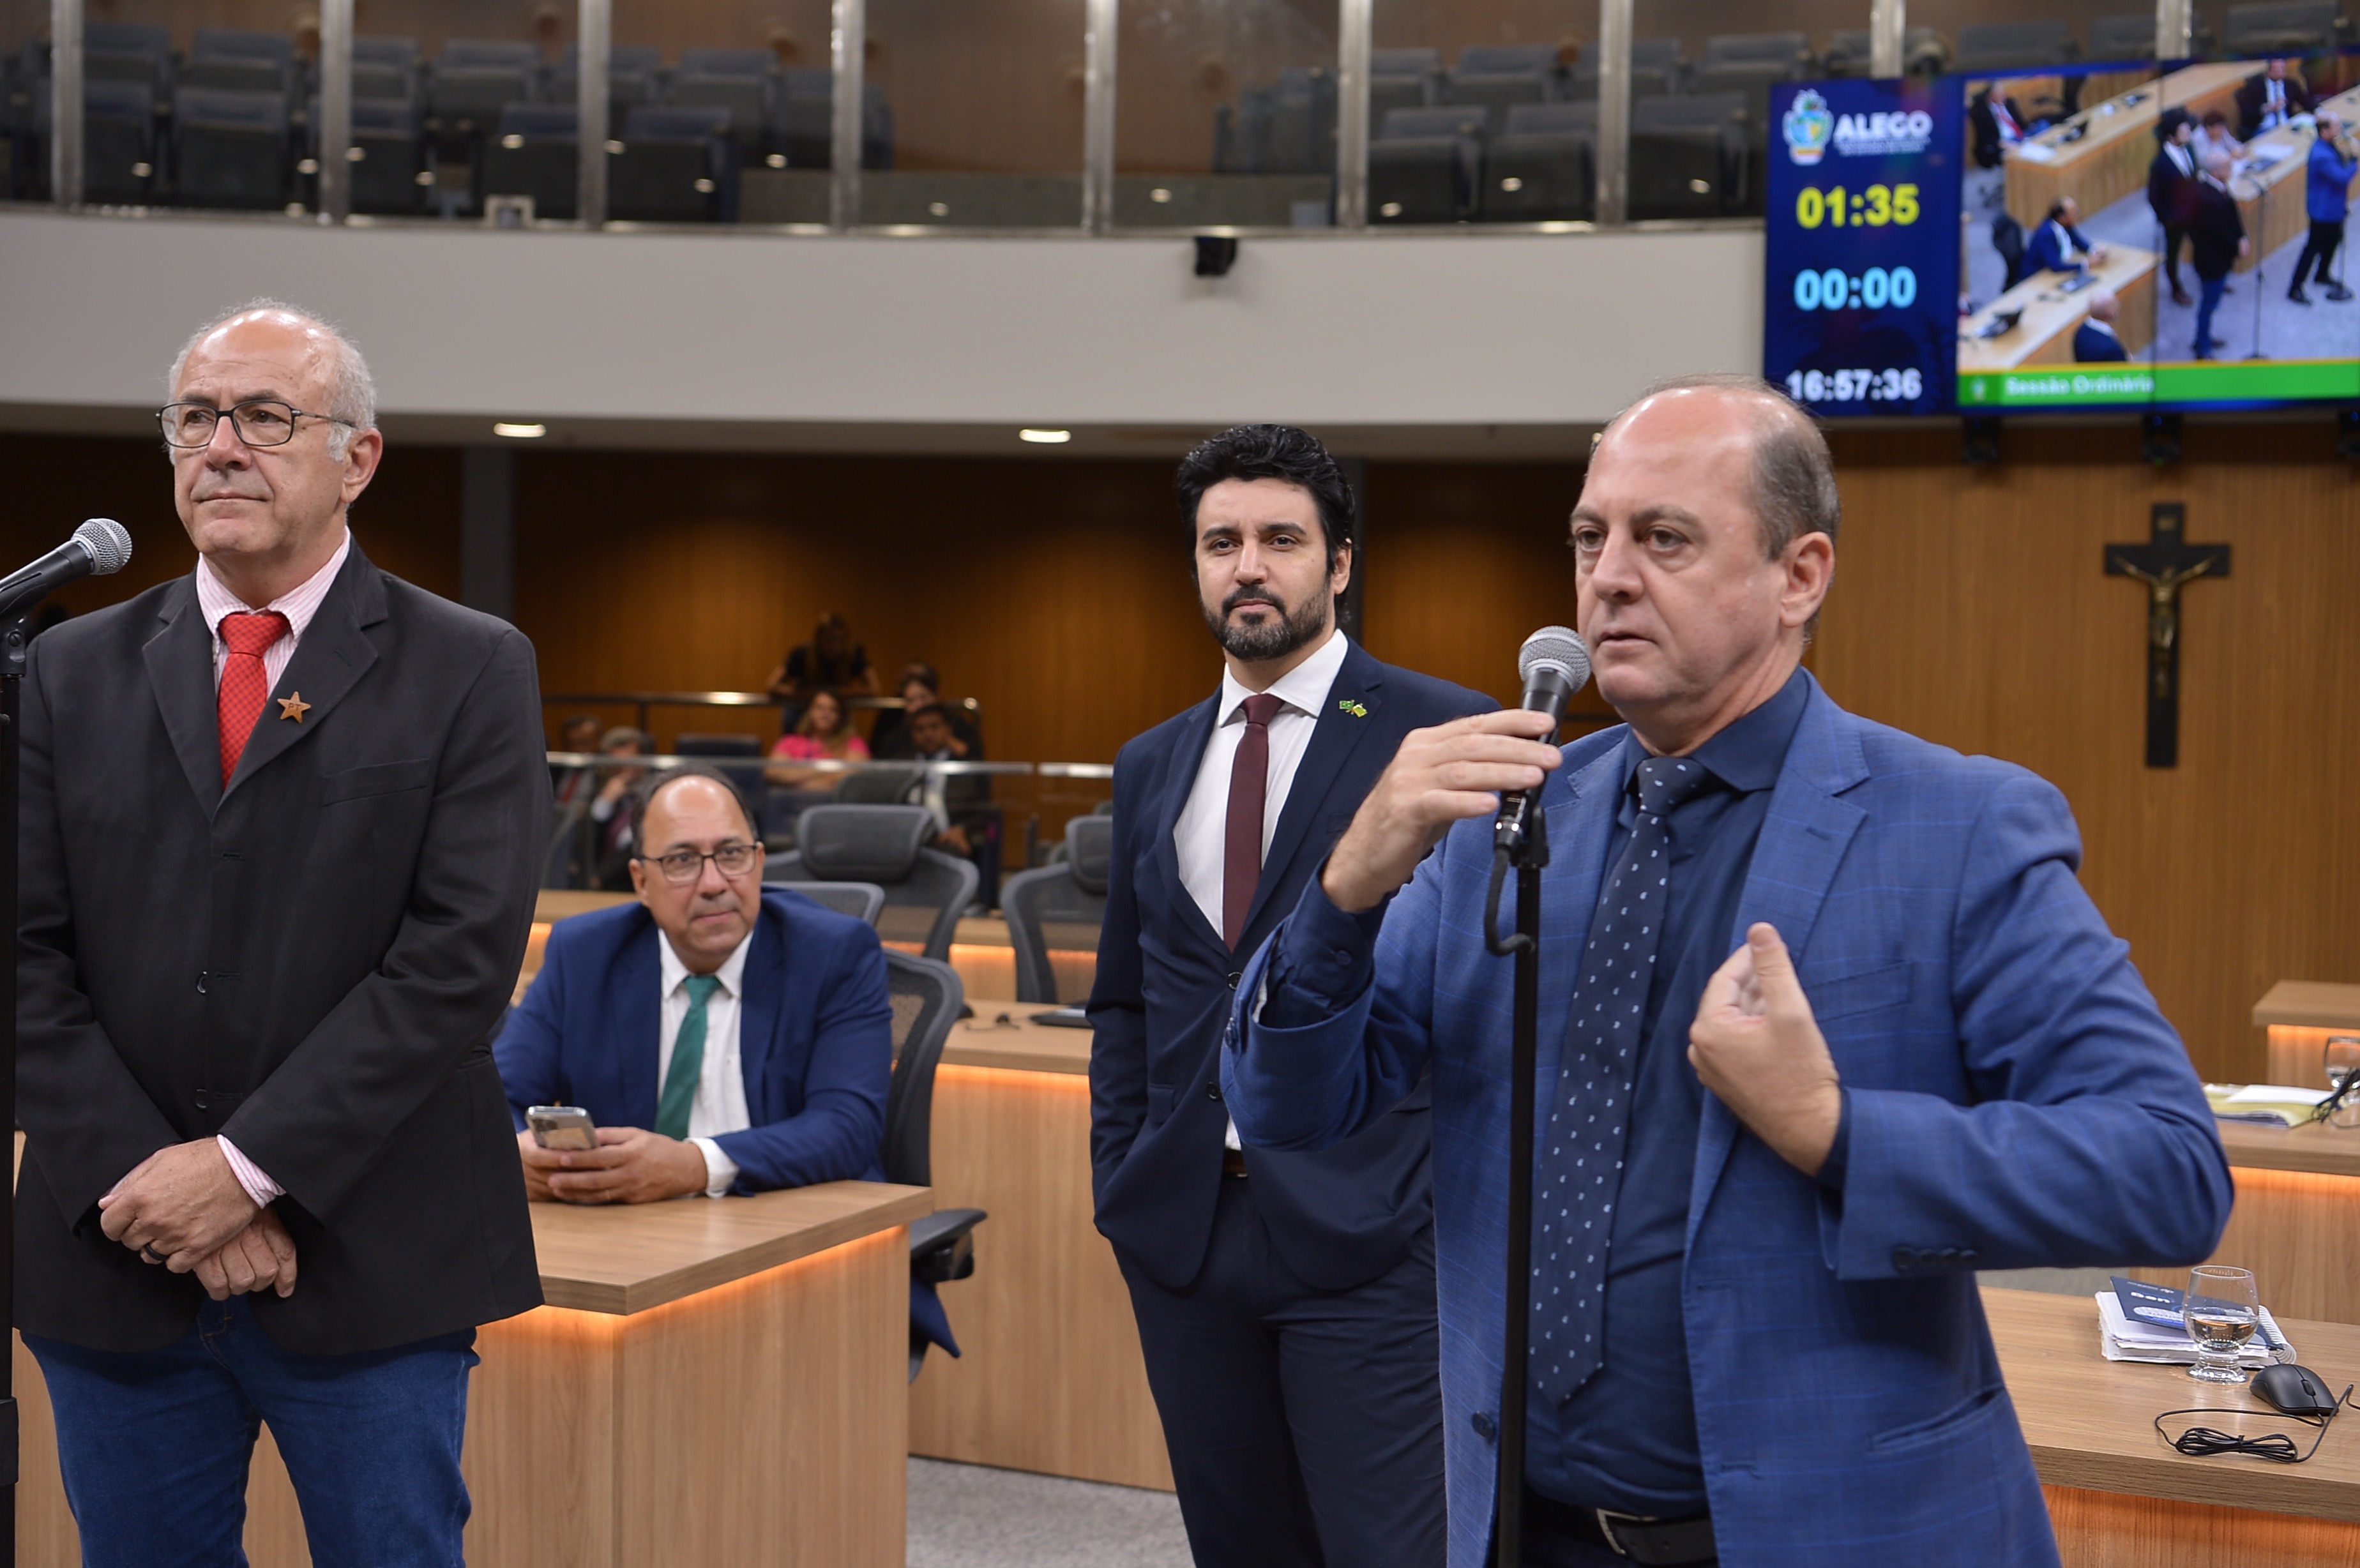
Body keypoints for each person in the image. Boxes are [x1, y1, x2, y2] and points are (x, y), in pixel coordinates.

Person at [1223, 376, 2233, 1568]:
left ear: (1799, 575)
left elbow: (2167, 1170)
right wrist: (1347, 884)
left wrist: (1836, 1130)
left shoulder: (1958, 828)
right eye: (1590, 538)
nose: (1607, 578)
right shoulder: (1499, 822)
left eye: (1664, 539)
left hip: (1834, 1535)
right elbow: (1284, 1110)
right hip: (1521, 1528)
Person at [16, 299, 550, 1567]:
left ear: (356, 458)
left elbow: (455, 965)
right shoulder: (67, 668)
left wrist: (246, 1170)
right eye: (196, 417)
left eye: (265, 417)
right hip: (118, 1248)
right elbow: (21, 956)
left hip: (370, 1259)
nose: (221, 447)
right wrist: (163, 1182)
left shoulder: (469, 667)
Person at [1089, 425, 1492, 1567]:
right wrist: (1120, 1174)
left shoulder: (1437, 733)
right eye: (1221, 543)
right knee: (1238, 1545)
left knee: (1392, 1550)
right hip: (1184, 1231)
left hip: (1372, 1231)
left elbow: (1481, 994)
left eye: (1280, 539)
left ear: (1340, 563)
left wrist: (1429, 1200)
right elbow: (1127, 998)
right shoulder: (1151, 760)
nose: (1248, 567)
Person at [492, 766, 955, 1354]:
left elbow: (848, 1127)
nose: (714, 883)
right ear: (640, 880)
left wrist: (694, 1165)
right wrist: (520, 1153)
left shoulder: (834, 953)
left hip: (798, 1250)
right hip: (631, 1252)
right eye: (682, 860)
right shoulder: (585, 953)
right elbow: (496, 1098)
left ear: (759, 862)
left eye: (731, 855)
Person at [2290, 111, 2357, 304]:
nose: (2341, 129)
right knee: (2313, 248)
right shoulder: (2321, 155)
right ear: (2324, 130)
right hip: (2323, 210)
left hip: (2334, 207)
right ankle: (2295, 287)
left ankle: (2322, 274)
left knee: (2334, 240)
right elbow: (2342, 178)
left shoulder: (2328, 144)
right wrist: (2355, 160)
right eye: (2337, 126)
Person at [2189, 149, 2251, 359]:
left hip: (2218, 257)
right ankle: (2202, 347)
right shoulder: (2208, 198)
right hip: (2211, 260)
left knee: (2211, 302)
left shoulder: (2218, 188)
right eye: (2227, 166)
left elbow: (2232, 215)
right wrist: (2236, 246)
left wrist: (2242, 236)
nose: (2232, 169)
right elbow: (2218, 233)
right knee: (2208, 305)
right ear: (2215, 172)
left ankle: (2203, 338)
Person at [767, 612, 876, 729]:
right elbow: (772, 685)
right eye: (830, 639)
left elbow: (874, 689)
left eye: (840, 640)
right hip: (803, 710)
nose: (835, 646)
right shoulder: (802, 654)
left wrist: (834, 693)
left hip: (837, 711)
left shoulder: (853, 654)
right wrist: (805, 694)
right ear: (818, 639)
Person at [871, 660, 985, 759]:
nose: (919, 706)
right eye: (911, 701)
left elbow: (976, 761)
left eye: (923, 698)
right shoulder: (895, 732)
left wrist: (949, 741)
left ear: (937, 697)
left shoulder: (958, 725)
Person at [588, 724, 653, 890]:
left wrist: (600, 878)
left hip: (632, 884)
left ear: (644, 761)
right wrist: (605, 801)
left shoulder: (656, 793)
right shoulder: (598, 787)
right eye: (617, 763)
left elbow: (637, 845)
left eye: (630, 762)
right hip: (595, 883)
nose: (624, 769)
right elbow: (587, 839)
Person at [2150, 109, 2200, 306]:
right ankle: (2176, 289)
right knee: (2173, 254)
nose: (2188, 134)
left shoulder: (2189, 149)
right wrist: (2168, 219)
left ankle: (2207, 275)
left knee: (2203, 244)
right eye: (2184, 131)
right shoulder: (2160, 163)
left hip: (2195, 211)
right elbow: (2154, 197)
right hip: (2175, 219)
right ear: (2171, 136)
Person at [2025, 196, 2103, 276]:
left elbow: (2077, 241)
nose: (2079, 214)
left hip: (2053, 269)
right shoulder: (2046, 234)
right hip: (2035, 275)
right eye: (2074, 213)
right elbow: (2055, 266)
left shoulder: (2065, 224)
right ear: (2062, 218)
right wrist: (2086, 264)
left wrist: (2093, 250)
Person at [2235, 57, 2311, 140]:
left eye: (2283, 69)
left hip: (2286, 126)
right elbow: (2247, 112)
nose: (2281, 73)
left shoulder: (2291, 85)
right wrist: (2268, 108)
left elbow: (2305, 102)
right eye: (2277, 70)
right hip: (2264, 129)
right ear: (2268, 71)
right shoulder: (2255, 87)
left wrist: (2318, 110)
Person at [552, 712, 604, 806]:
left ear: (598, 742)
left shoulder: (607, 771)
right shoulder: (554, 769)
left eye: (584, 743)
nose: (576, 749)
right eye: (570, 744)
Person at [2073, 288, 2129, 362]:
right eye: (2117, 305)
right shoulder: (2112, 350)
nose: (2119, 307)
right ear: (2111, 313)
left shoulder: (2080, 332)